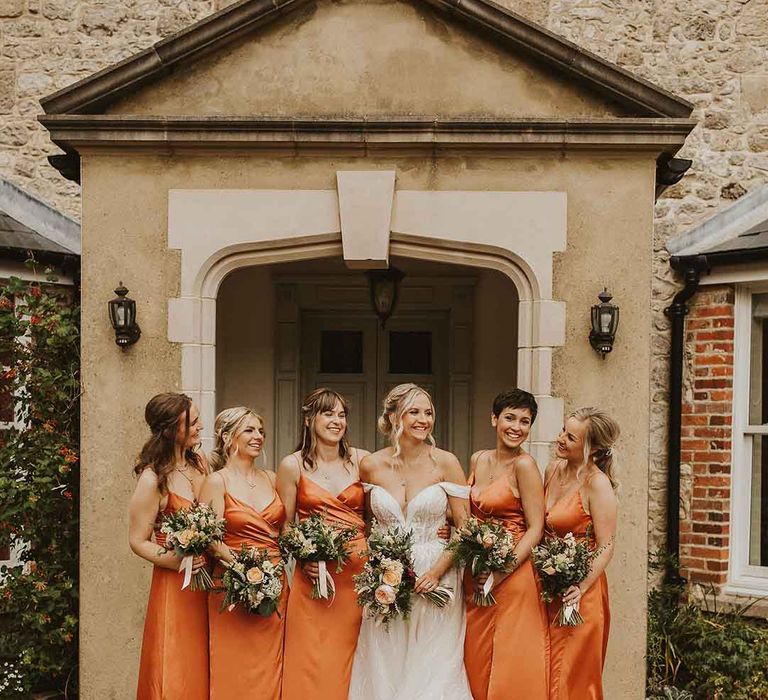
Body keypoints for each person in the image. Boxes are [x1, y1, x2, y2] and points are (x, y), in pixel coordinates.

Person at [348, 383, 473, 700]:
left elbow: (465, 529)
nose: (423, 419)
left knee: (433, 664)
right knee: (385, 659)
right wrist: (378, 569)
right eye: (413, 412)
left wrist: (436, 571)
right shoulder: (371, 465)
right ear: (392, 417)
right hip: (386, 580)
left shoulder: (446, 462)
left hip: (436, 578)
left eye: (428, 412)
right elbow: (366, 523)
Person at [277, 388, 369, 700]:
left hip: (358, 580)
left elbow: (381, 515)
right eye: (328, 413)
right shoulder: (292, 466)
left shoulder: (362, 460)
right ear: (309, 419)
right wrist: (305, 557)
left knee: (354, 660)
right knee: (312, 662)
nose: (336, 421)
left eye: (341, 415)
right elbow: (286, 525)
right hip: (314, 580)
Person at [464, 389, 548, 699]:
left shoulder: (525, 466)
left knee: (509, 662)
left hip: (513, 575)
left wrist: (501, 570)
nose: (516, 427)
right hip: (475, 571)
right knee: (475, 656)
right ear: (494, 419)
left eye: (525, 421)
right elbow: (467, 510)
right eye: (510, 418)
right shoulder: (478, 458)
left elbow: (536, 528)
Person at [200, 407, 287, 700]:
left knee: (270, 666)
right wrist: (244, 569)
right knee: (233, 666)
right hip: (231, 585)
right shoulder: (216, 481)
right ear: (227, 437)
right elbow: (209, 538)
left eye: (260, 431)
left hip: (275, 586)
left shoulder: (273, 478)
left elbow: (287, 530)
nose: (258, 437)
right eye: (249, 430)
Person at [129, 392, 209, 700]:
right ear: (171, 429)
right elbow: (137, 541)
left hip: (207, 580)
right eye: (193, 422)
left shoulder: (200, 464)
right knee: (175, 660)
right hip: (174, 585)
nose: (200, 426)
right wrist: (177, 560)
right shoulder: (153, 479)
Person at [544, 407, 619, 700]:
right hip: (548, 587)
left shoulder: (597, 484)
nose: (560, 438)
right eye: (563, 430)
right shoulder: (552, 469)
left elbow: (607, 545)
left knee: (571, 680)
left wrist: (581, 587)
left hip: (580, 595)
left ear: (593, 448)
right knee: (545, 673)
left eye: (570, 437)